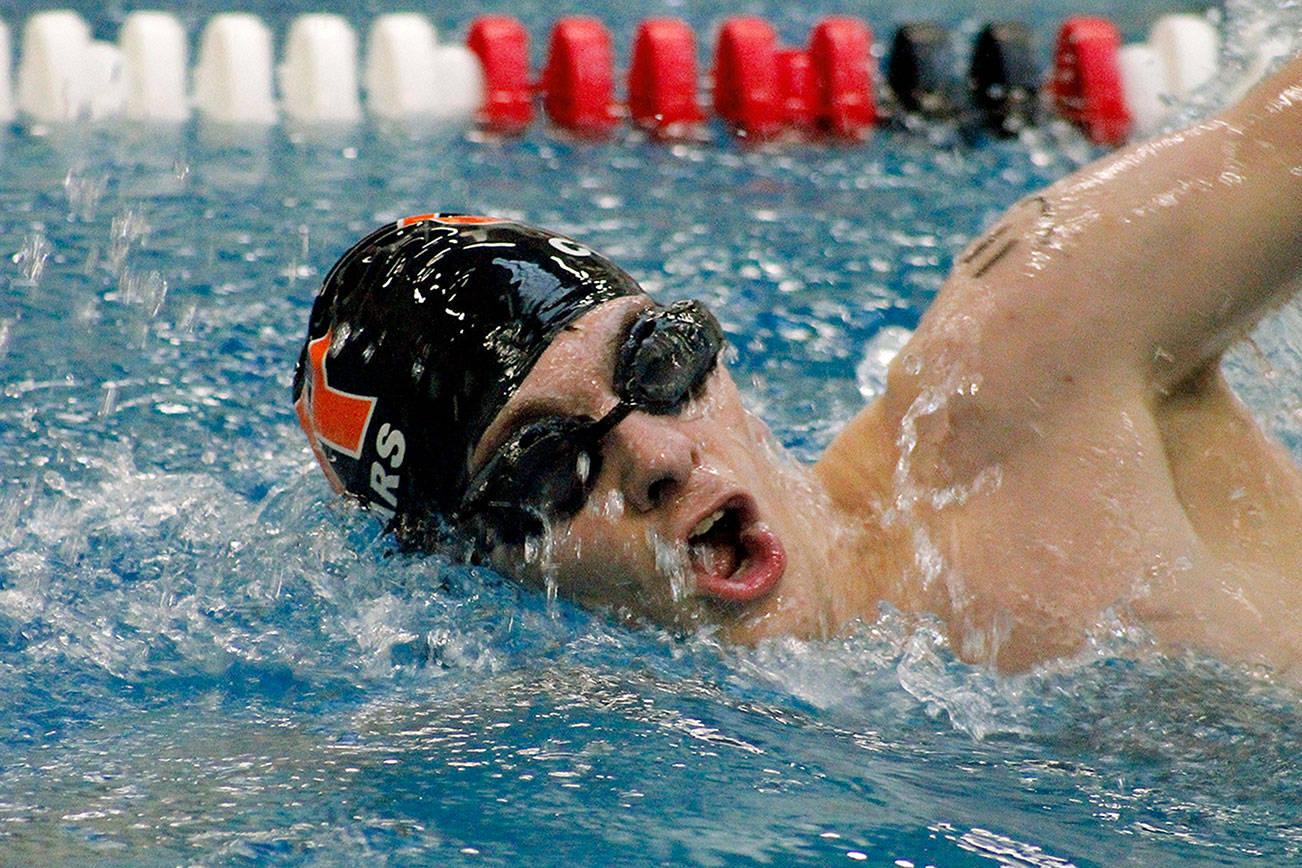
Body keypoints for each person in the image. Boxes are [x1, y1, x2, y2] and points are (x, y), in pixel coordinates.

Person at [293, 53, 1302, 677]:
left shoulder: (1028, 359)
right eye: (546, 465)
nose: (656, 453)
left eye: (656, 358)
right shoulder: (586, 721)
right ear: (481, 559)